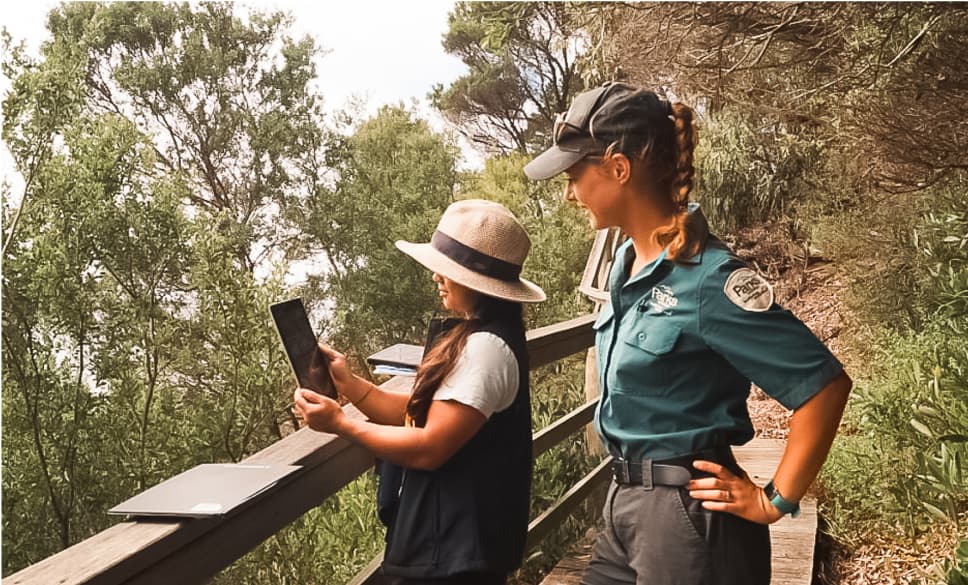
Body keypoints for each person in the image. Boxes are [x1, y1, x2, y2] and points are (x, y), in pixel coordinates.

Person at [524, 82, 852, 585]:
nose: (569, 192)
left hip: (687, 516)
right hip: (624, 505)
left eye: (573, 174)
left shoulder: (709, 281)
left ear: (618, 167)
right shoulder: (626, 266)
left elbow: (823, 386)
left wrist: (775, 499)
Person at [293, 199, 546, 585]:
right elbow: (423, 415)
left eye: (446, 270)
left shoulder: (485, 350)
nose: (436, 277)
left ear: (474, 280)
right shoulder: (482, 336)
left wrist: (341, 424)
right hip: (447, 550)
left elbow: (429, 447)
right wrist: (352, 385)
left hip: (453, 558)